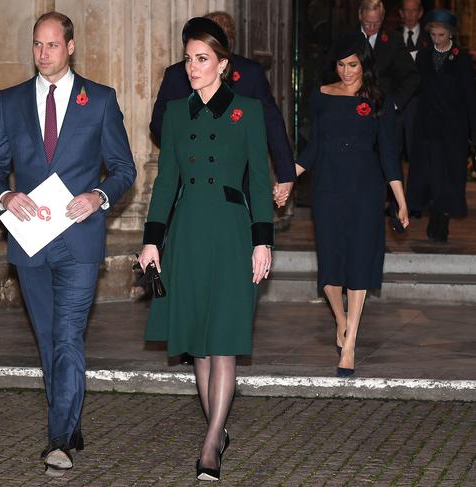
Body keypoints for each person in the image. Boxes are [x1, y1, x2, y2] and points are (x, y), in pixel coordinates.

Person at [0, 12, 136, 474]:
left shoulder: (100, 100)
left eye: (51, 45)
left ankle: (59, 438)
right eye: (36, 45)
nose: (43, 53)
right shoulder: (10, 102)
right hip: (30, 241)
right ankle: (69, 416)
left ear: (70, 47)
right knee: (48, 340)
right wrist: (6, 195)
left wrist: (99, 195)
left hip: (79, 241)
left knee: (68, 335)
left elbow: (124, 168)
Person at [138, 17, 274, 482]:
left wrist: (263, 242)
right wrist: (152, 240)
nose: (192, 68)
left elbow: (259, 181)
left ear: (222, 65)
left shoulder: (248, 110)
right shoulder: (176, 113)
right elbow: (165, 184)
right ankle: (216, 427)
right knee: (198, 342)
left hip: (233, 232)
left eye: (201, 59)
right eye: (188, 59)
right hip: (189, 233)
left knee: (225, 340)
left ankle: (212, 441)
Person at [295, 33, 409, 378]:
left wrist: (401, 201)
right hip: (328, 187)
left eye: (353, 65)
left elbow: (389, 154)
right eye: (341, 65)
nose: (346, 71)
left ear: (365, 66)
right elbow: (315, 146)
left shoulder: (378, 99)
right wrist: (288, 177)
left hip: (366, 191)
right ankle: (341, 320)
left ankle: (351, 344)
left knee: (359, 259)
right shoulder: (321, 96)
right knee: (330, 263)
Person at [150, 12, 296, 207]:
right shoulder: (177, 74)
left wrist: (286, 172)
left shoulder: (250, 72)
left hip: (234, 176)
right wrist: (187, 144)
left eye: (228, 34)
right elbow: (158, 122)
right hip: (188, 175)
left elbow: (271, 122)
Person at [406, 9, 476, 242]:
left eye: (441, 35)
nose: (437, 39)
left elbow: (469, 96)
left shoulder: (462, 58)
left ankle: (442, 218)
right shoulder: (424, 56)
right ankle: (434, 213)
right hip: (427, 127)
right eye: (433, 34)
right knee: (429, 175)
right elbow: (414, 85)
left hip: (452, 130)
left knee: (448, 177)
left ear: (451, 34)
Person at [356, 0, 420, 215]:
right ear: (360, 17)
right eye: (367, 23)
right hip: (354, 111)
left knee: (389, 157)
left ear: (382, 20)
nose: (371, 28)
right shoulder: (349, 39)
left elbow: (412, 76)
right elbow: (329, 71)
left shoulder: (392, 40)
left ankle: (395, 208)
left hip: (383, 112)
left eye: (375, 23)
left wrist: (395, 103)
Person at [398, 0, 428, 167]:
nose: (410, 15)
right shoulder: (391, 36)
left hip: (420, 104)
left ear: (420, 13)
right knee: (393, 150)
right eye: (406, 11)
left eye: (414, 11)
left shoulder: (430, 37)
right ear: (401, 13)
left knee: (417, 151)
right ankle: (392, 192)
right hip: (396, 104)